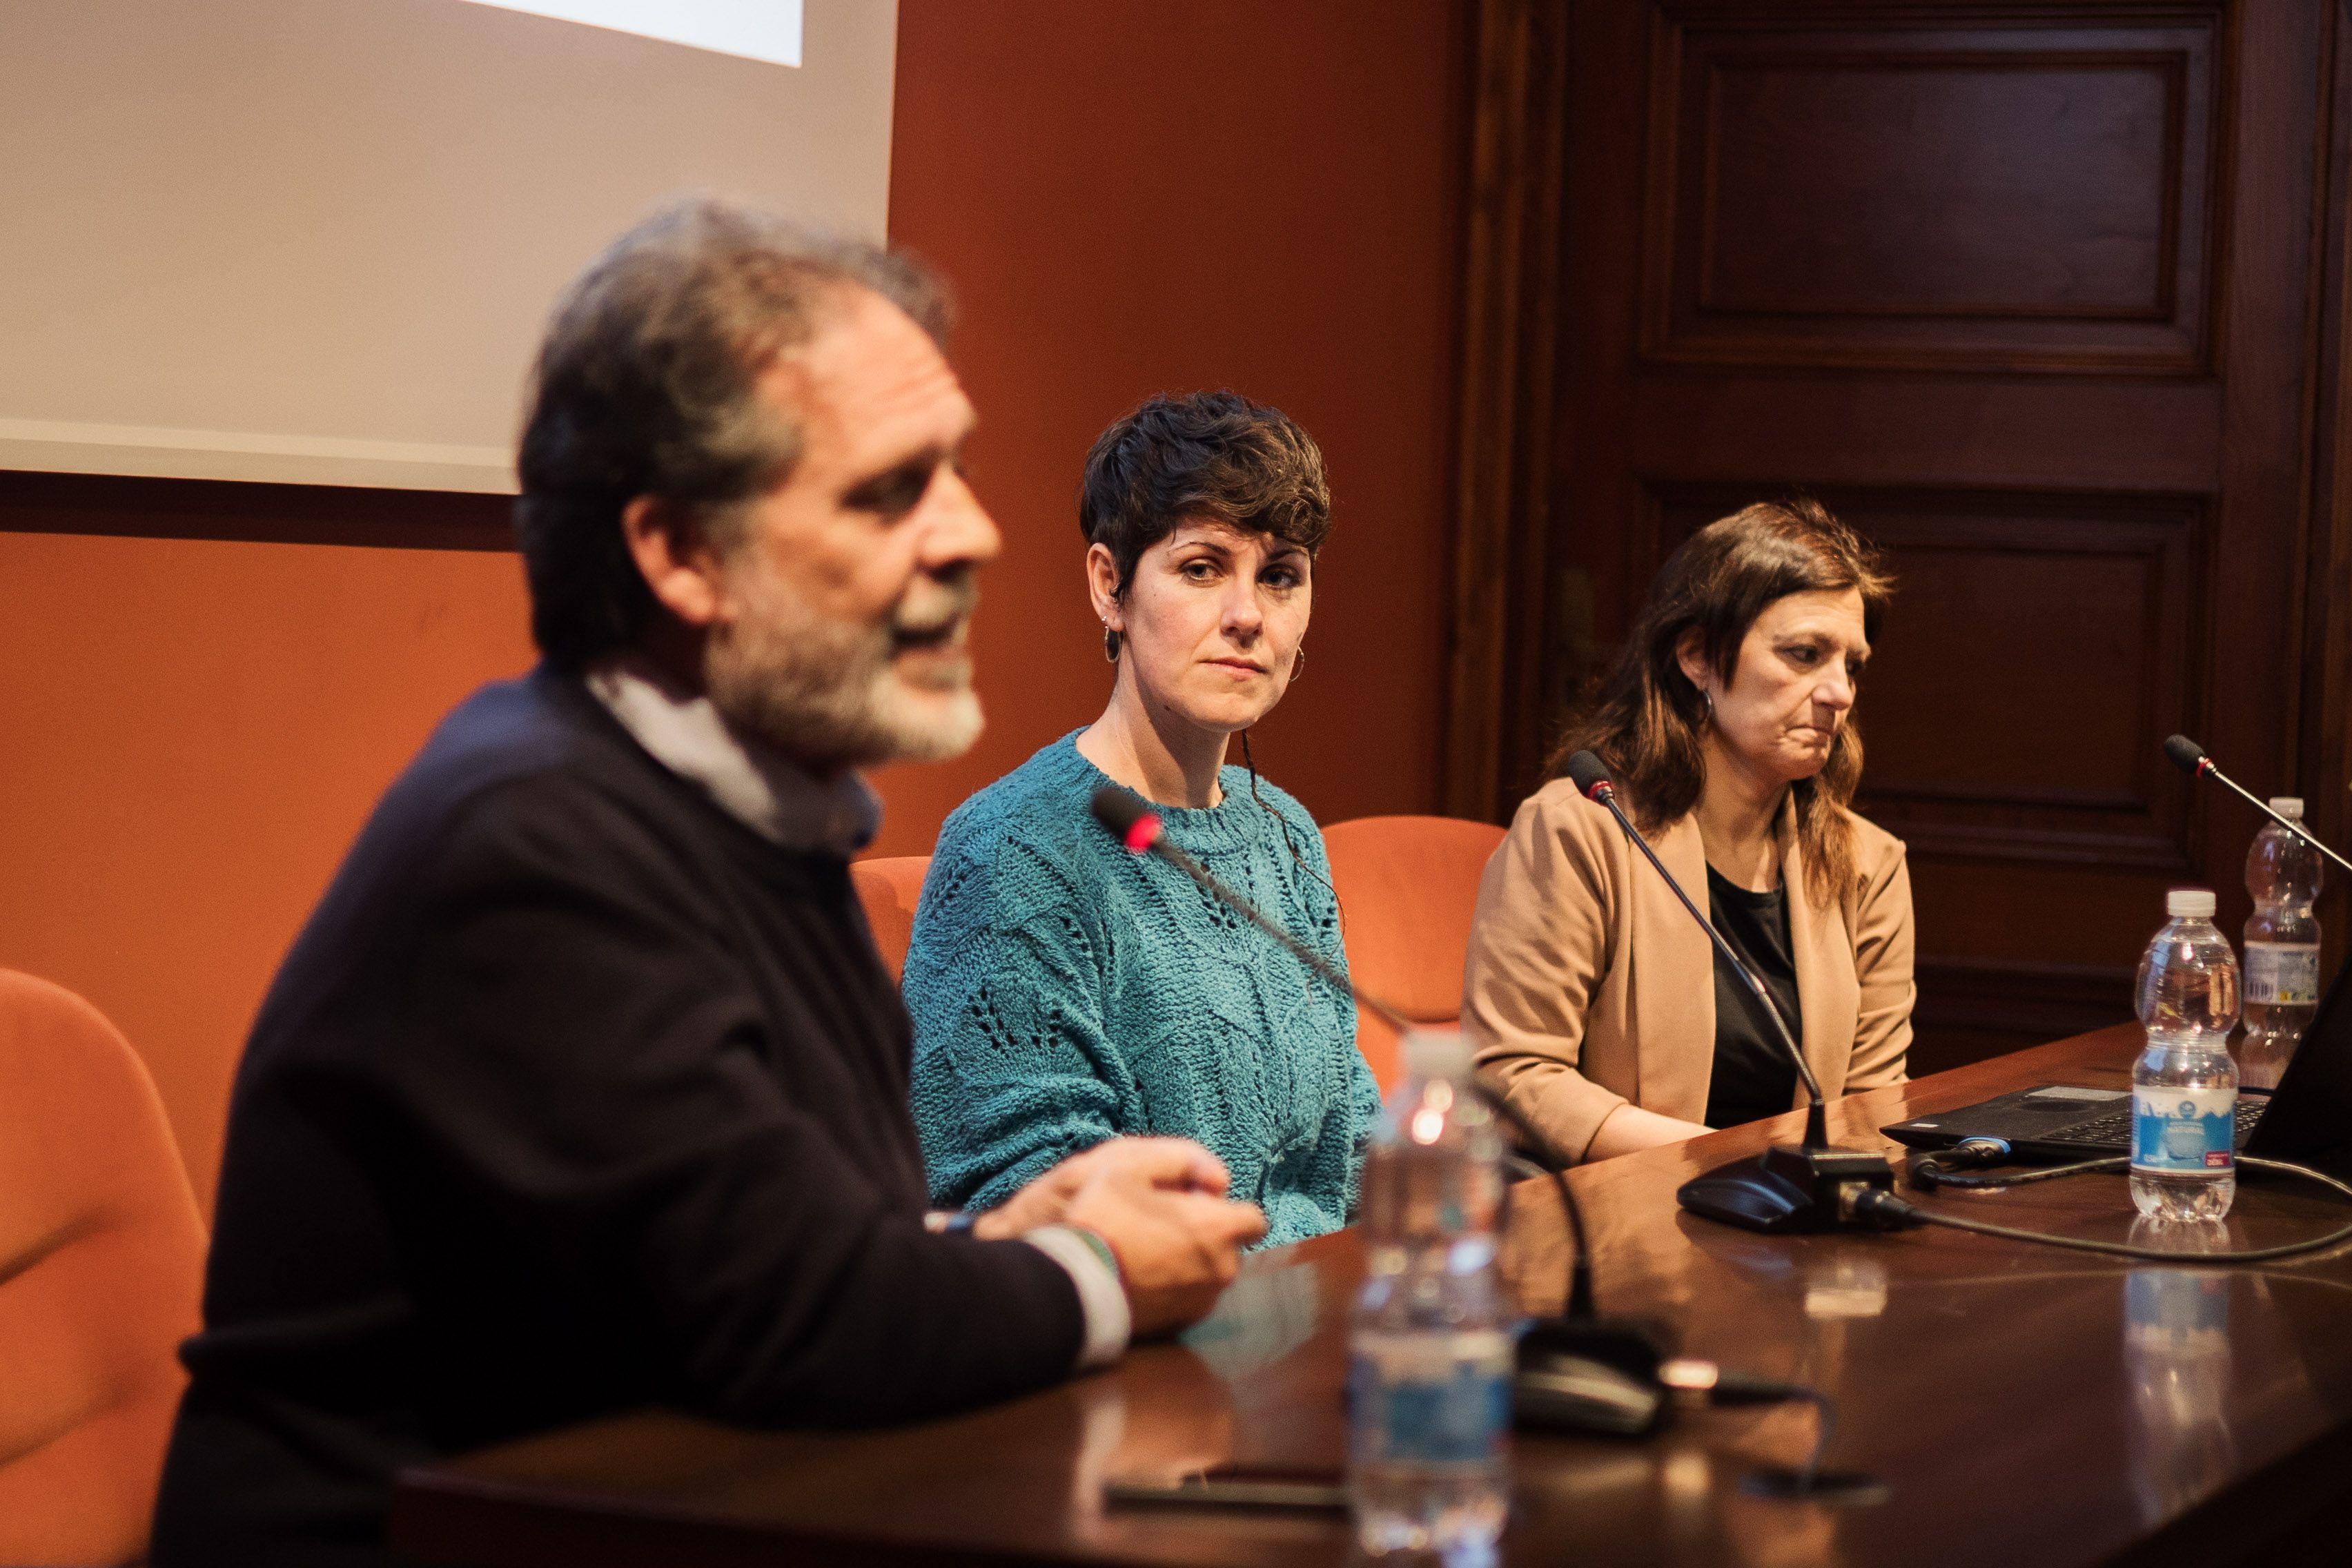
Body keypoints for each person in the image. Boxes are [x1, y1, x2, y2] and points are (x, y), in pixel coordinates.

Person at [150, 201, 1266, 1566]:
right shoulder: (533, 840)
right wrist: (1096, 1274)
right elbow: (797, 1318)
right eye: (889, 489)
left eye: (957, 472)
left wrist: (986, 1234)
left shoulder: (743, 805)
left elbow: (713, 1245)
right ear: (681, 554)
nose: (973, 534)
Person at [903, 392, 1378, 1249]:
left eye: (1280, 574)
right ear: (1108, 586)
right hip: (1139, 1342)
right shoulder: (1013, 850)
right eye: (1202, 567)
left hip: (1325, 1315)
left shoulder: (1289, 837)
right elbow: (1033, 1200)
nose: (1248, 614)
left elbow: (1353, 1135)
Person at [1462, 499, 1915, 1166]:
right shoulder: (1579, 828)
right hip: (1620, 1220)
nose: (1839, 692)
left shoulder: (1867, 863)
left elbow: (1872, 1105)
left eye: (1852, 665)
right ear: (1698, 656)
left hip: (1793, 1226)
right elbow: (1513, 1077)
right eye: (1805, 654)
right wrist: (1734, 1156)